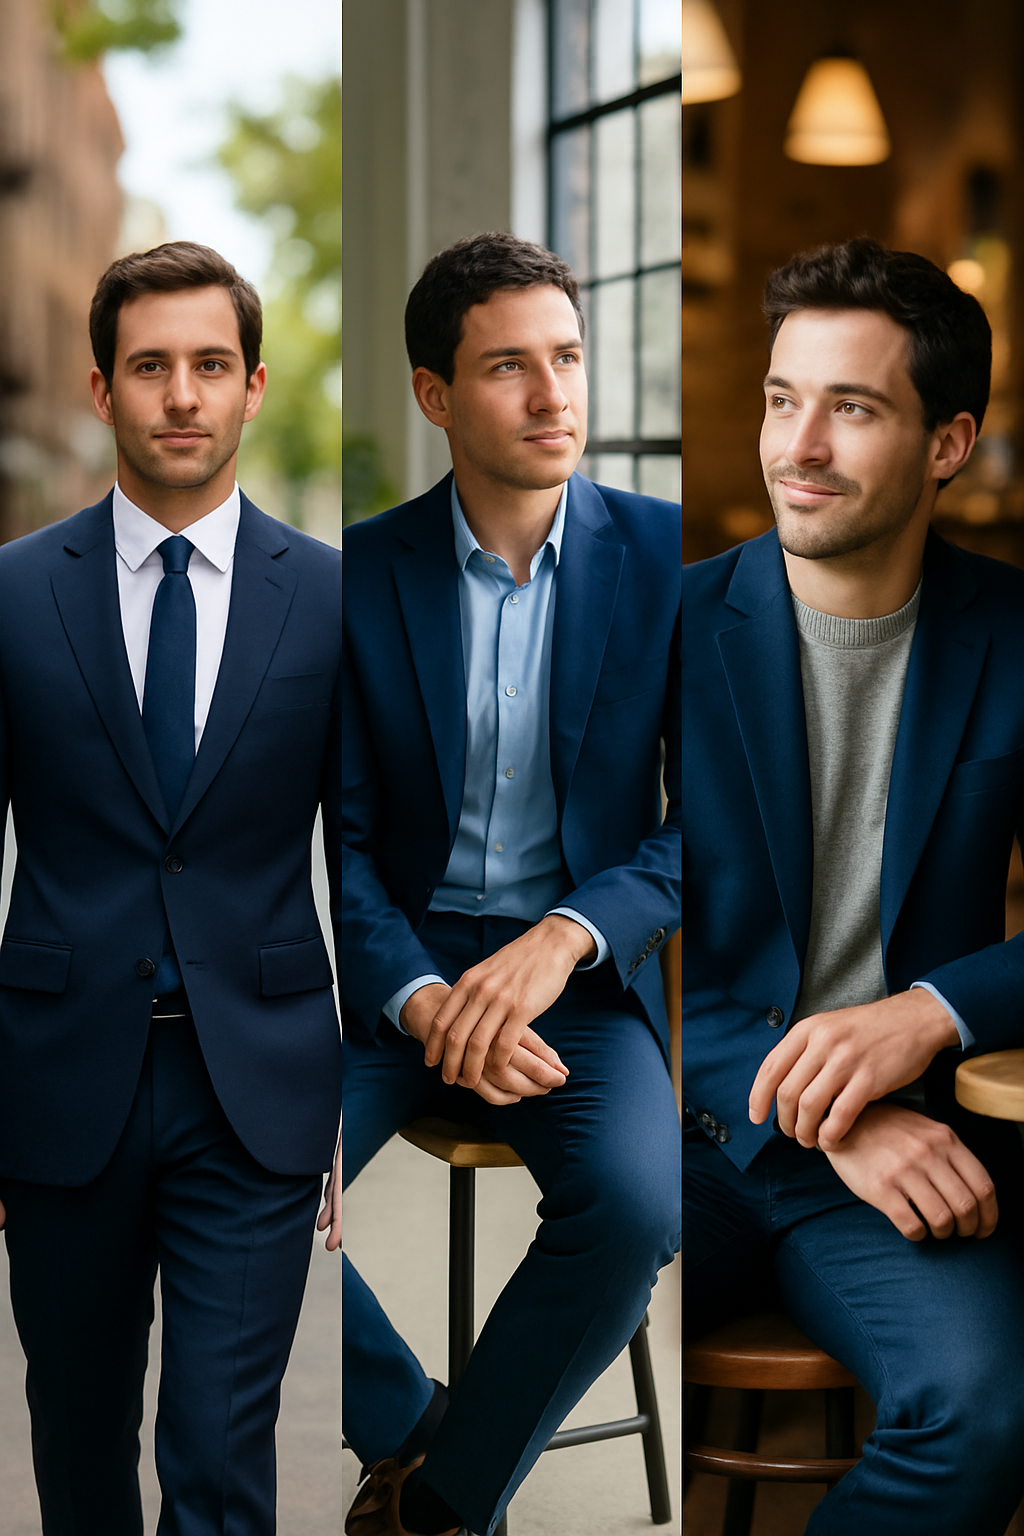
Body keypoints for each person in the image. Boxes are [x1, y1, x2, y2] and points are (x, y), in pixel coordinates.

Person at [340, 231, 681, 1536]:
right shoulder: (358, 576)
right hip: (392, 969)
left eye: (569, 358)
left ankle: (443, 1505)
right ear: (435, 394)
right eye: (508, 369)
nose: (556, 397)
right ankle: (416, 1424)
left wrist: (567, 935)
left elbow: (702, 826)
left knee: (638, 1208)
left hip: (578, 980)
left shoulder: (668, 562)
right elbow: (345, 846)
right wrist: (421, 996)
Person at [0, 241, 341, 1534]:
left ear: (254, 387)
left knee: (215, 1452)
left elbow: (360, 856)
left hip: (251, 1091)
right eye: (152, 367)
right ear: (101, 390)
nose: (182, 395)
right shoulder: (15, 594)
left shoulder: (330, 599)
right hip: (55, 1083)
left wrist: (352, 1087)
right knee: (78, 1443)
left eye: (210, 365)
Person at [684, 236, 1024, 1533]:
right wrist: (824, 1109)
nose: (799, 444)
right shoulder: (659, 636)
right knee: (471, 1366)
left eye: (853, 407)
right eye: (783, 398)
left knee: (981, 1412)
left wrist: (928, 1013)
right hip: (687, 1139)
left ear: (948, 442)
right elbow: (591, 938)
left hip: (911, 1152)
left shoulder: (1012, 633)